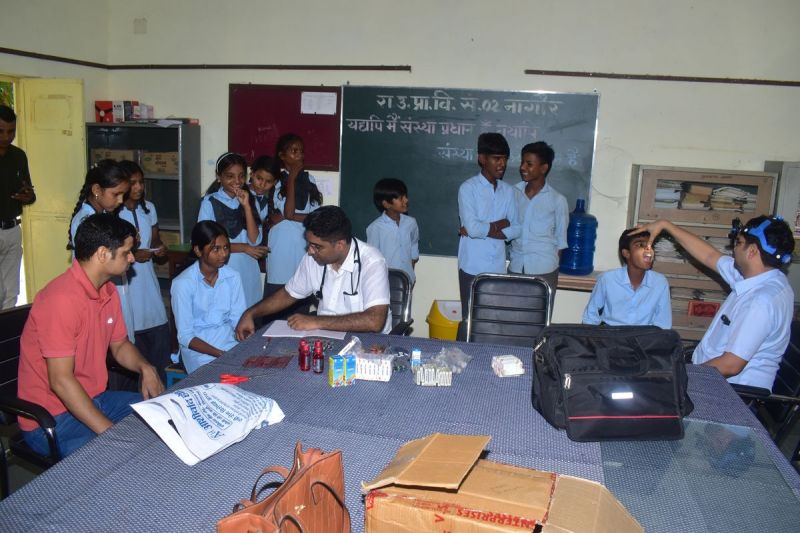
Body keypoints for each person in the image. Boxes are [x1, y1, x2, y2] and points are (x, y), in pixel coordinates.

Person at [17, 213, 164, 458]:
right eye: (126, 252)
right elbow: (61, 381)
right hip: (53, 419)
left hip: (95, 399)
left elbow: (120, 345)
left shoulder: (108, 290)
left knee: (164, 417)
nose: (132, 258)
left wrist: (145, 367)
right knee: (121, 456)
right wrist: (111, 433)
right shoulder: (60, 300)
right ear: (103, 254)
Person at [635, 216, 794, 390]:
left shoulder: (761, 301)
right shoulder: (763, 278)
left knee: (648, 391)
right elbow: (710, 255)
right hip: (714, 380)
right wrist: (666, 225)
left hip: (732, 394)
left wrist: (676, 378)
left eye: (739, 243)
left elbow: (730, 365)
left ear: (752, 251)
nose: (734, 249)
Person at [236, 205, 391, 340]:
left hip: (369, 342)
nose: (310, 251)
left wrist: (316, 321)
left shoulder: (372, 262)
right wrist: (251, 313)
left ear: (340, 245)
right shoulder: (313, 259)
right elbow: (288, 294)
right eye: (309, 244)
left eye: (317, 246)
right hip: (326, 336)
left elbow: (374, 321)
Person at [69, 159, 135, 341]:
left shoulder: (104, 215)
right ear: (97, 190)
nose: (120, 201)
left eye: (123, 195)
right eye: (116, 194)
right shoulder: (86, 221)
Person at [117, 160, 171, 381]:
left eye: (141, 182)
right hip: (126, 284)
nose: (138, 187)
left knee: (158, 340)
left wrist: (160, 250)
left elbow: (156, 240)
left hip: (148, 283)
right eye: (133, 183)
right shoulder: (115, 213)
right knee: (133, 335)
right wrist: (133, 255)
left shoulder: (149, 208)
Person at [171, 221, 246, 373]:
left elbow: (238, 320)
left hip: (229, 344)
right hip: (198, 351)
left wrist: (245, 338)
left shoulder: (233, 277)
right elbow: (185, 336)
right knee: (219, 376)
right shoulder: (183, 284)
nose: (223, 254)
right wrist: (220, 354)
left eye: (226, 248)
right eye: (215, 249)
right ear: (198, 251)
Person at [457, 132, 518, 317]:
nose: (502, 164)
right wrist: (502, 223)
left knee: (494, 319)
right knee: (470, 319)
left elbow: (517, 228)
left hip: (497, 267)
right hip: (472, 266)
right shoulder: (468, 188)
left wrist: (482, 228)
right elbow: (474, 229)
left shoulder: (508, 191)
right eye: (497, 158)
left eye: (505, 159)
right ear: (482, 158)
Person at [264, 134, 322, 318]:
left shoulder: (310, 180)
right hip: (281, 248)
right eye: (294, 151)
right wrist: (292, 178)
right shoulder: (277, 181)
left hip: (301, 246)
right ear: (282, 155)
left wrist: (287, 217)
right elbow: (288, 210)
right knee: (276, 302)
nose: (299, 155)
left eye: (301, 151)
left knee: (299, 299)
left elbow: (312, 216)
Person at [197, 152, 267, 308]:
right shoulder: (209, 202)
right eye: (230, 176)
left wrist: (246, 206)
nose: (237, 181)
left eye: (241, 176)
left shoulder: (250, 199)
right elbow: (206, 242)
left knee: (249, 313)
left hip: (248, 269)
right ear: (219, 177)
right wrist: (244, 248)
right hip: (224, 267)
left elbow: (255, 241)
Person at [508, 142, 568, 307]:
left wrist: (551, 268)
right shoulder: (513, 193)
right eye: (522, 162)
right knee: (512, 316)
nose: (522, 167)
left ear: (543, 168)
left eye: (529, 164)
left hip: (544, 271)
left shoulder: (557, 200)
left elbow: (561, 241)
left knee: (539, 318)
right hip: (516, 267)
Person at [582, 228, 672, 329]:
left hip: (644, 337)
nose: (648, 251)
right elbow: (590, 316)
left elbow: (663, 324)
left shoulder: (659, 282)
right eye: (640, 245)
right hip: (611, 334)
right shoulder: (607, 279)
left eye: (650, 246)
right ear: (626, 253)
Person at [0, 105, 36, 309]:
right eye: (1, 131)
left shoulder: (18, 156)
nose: (6, 137)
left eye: (11, 131)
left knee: (11, 293)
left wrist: (28, 196)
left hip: (13, 230)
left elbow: (29, 193)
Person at [366, 178, 420, 284]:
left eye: (405, 196)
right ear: (386, 204)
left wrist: (411, 267)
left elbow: (414, 243)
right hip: (385, 281)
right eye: (400, 198)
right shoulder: (375, 228)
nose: (406, 200)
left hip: (407, 279)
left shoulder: (411, 223)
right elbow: (372, 258)